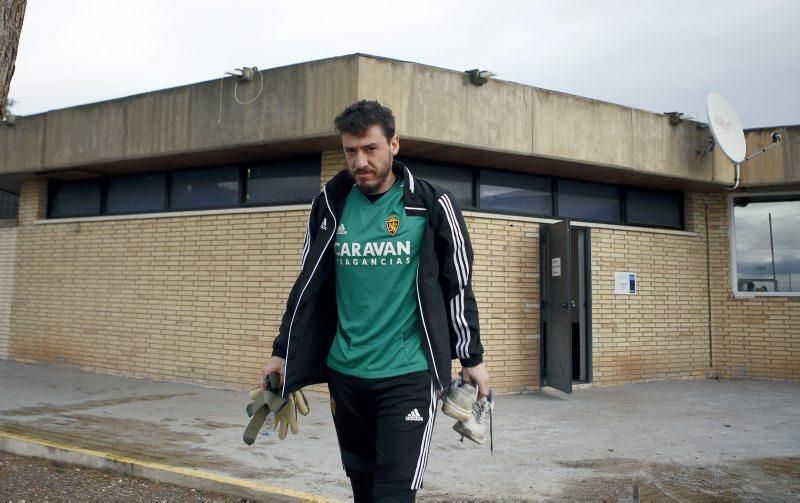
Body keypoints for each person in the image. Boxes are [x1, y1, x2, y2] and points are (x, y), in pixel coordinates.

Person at [260, 100, 489, 502]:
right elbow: (307, 288)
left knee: (394, 495)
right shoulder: (329, 206)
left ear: (393, 145)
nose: (360, 161)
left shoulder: (432, 204)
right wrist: (283, 352)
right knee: (362, 488)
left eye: (370, 148)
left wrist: (471, 358)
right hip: (345, 375)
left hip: (408, 376)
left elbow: (459, 285)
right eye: (351, 151)